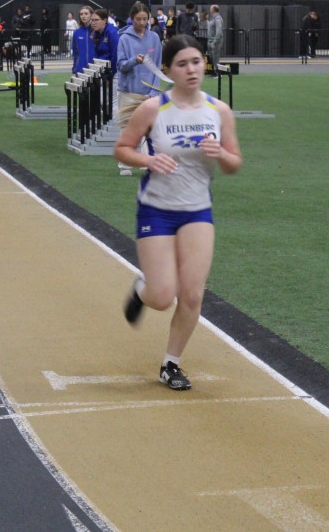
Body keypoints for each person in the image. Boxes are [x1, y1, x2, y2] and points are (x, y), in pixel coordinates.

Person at [115, 34, 242, 391]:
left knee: (192, 294)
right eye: (182, 64)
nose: (191, 70)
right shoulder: (153, 109)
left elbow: (234, 163)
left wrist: (221, 154)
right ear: (168, 70)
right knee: (161, 296)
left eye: (196, 61)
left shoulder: (219, 111)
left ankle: (170, 364)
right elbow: (122, 148)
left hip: (197, 211)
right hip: (157, 209)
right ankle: (142, 291)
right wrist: (148, 160)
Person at [116, 1, 163, 176]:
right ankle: (125, 165)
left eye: (145, 19)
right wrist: (134, 61)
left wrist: (154, 90)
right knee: (127, 127)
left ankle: (146, 162)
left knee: (149, 129)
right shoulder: (124, 39)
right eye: (138, 19)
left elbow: (157, 66)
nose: (142, 22)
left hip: (149, 92)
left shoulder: (154, 38)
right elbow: (120, 65)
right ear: (132, 19)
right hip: (128, 91)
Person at [90, 8, 119, 113]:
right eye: (92, 20)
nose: (94, 23)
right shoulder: (96, 34)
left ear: (105, 20)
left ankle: (114, 122)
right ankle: (108, 121)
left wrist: (110, 75)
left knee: (113, 102)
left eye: (96, 20)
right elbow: (96, 54)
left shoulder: (112, 33)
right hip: (102, 71)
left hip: (114, 72)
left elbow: (115, 55)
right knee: (102, 101)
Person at [71, 6, 94, 75]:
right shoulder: (77, 33)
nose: (83, 16)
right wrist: (74, 69)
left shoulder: (97, 31)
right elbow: (75, 53)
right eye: (81, 14)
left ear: (91, 15)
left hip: (95, 70)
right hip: (80, 70)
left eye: (86, 14)